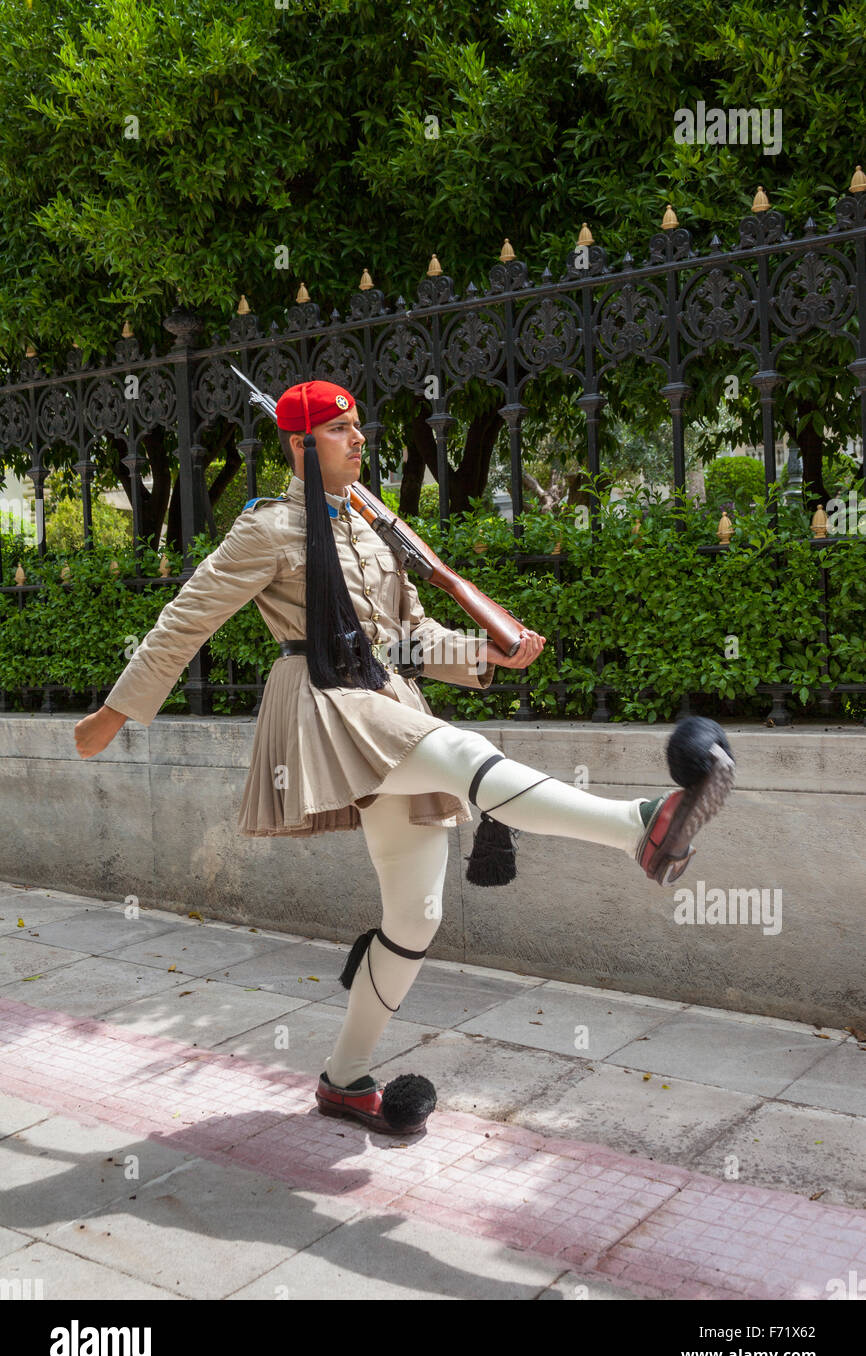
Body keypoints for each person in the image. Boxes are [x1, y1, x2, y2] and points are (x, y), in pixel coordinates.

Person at [74, 379, 734, 1137]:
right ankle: (639, 825)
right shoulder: (266, 529)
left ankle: (345, 1080)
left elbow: (410, 640)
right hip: (323, 700)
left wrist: (488, 654)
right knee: (461, 752)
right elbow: (185, 618)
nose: (360, 441)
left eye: (358, 429)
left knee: (417, 916)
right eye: (340, 431)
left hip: (386, 699)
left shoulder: (372, 526)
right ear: (299, 445)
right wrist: (117, 713)